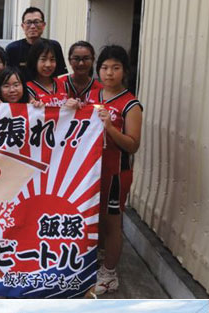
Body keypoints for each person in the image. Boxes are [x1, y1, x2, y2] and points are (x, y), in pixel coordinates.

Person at [87, 45, 143, 295]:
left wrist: (110, 128)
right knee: (96, 220)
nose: (109, 73)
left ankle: (110, 275)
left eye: (115, 67)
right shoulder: (94, 97)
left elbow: (133, 145)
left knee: (112, 224)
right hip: (91, 172)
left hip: (116, 174)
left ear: (125, 71)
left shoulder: (131, 104)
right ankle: (101, 263)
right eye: (105, 67)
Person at [5, 7, 66, 79]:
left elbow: (60, 74)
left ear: (43, 25)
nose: (33, 26)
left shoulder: (54, 46)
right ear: (22, 26)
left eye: (36, 22)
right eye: (28, 22)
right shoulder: (12, 49)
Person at [26, 39, 67, 106]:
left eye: (52, 60)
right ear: (34, 61)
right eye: (43, 59)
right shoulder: (28, 89)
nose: (48, 64)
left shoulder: (64, 85)